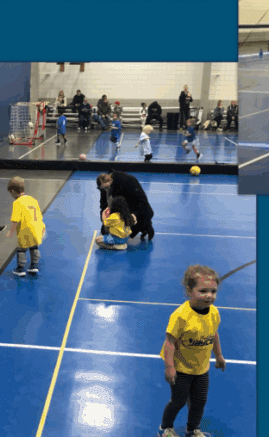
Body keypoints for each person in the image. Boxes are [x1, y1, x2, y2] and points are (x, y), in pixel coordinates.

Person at [158, 265, 226, 437]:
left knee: (199, 402)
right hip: (181, 368)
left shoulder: (214, 313)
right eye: (203, 291)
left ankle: (193, 430)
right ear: (189, 290)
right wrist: (169, 366)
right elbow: (170, 342)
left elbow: (214, 334)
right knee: (178, 401)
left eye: (213, 291)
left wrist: (218, 356)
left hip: (201, 368)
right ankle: (165, 428)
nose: (209, 295)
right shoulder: (181, 316)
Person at [97, 171, 155, 241]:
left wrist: (134, 215)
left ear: (111, 180)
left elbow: (143, 203)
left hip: (133, 209)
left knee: (129, 229)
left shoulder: (129, 181)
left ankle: (146, 226)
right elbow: (103, 206)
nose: (105, 190)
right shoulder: (103, 186)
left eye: (107, 187)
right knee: (105, 232)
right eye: (103, 189)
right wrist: (104, 220)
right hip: (119, 210)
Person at [6, 176, 45, 276]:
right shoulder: (33, 199)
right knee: (34, 247)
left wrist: (11, 231)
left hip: (24, 230)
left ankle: (20, 268)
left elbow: (15, 219)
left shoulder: (17, 202)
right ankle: (34, 266)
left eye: (11, 193)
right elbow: (39, 214)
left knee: (21, 249)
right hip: (36, 228)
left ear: (13, 191)